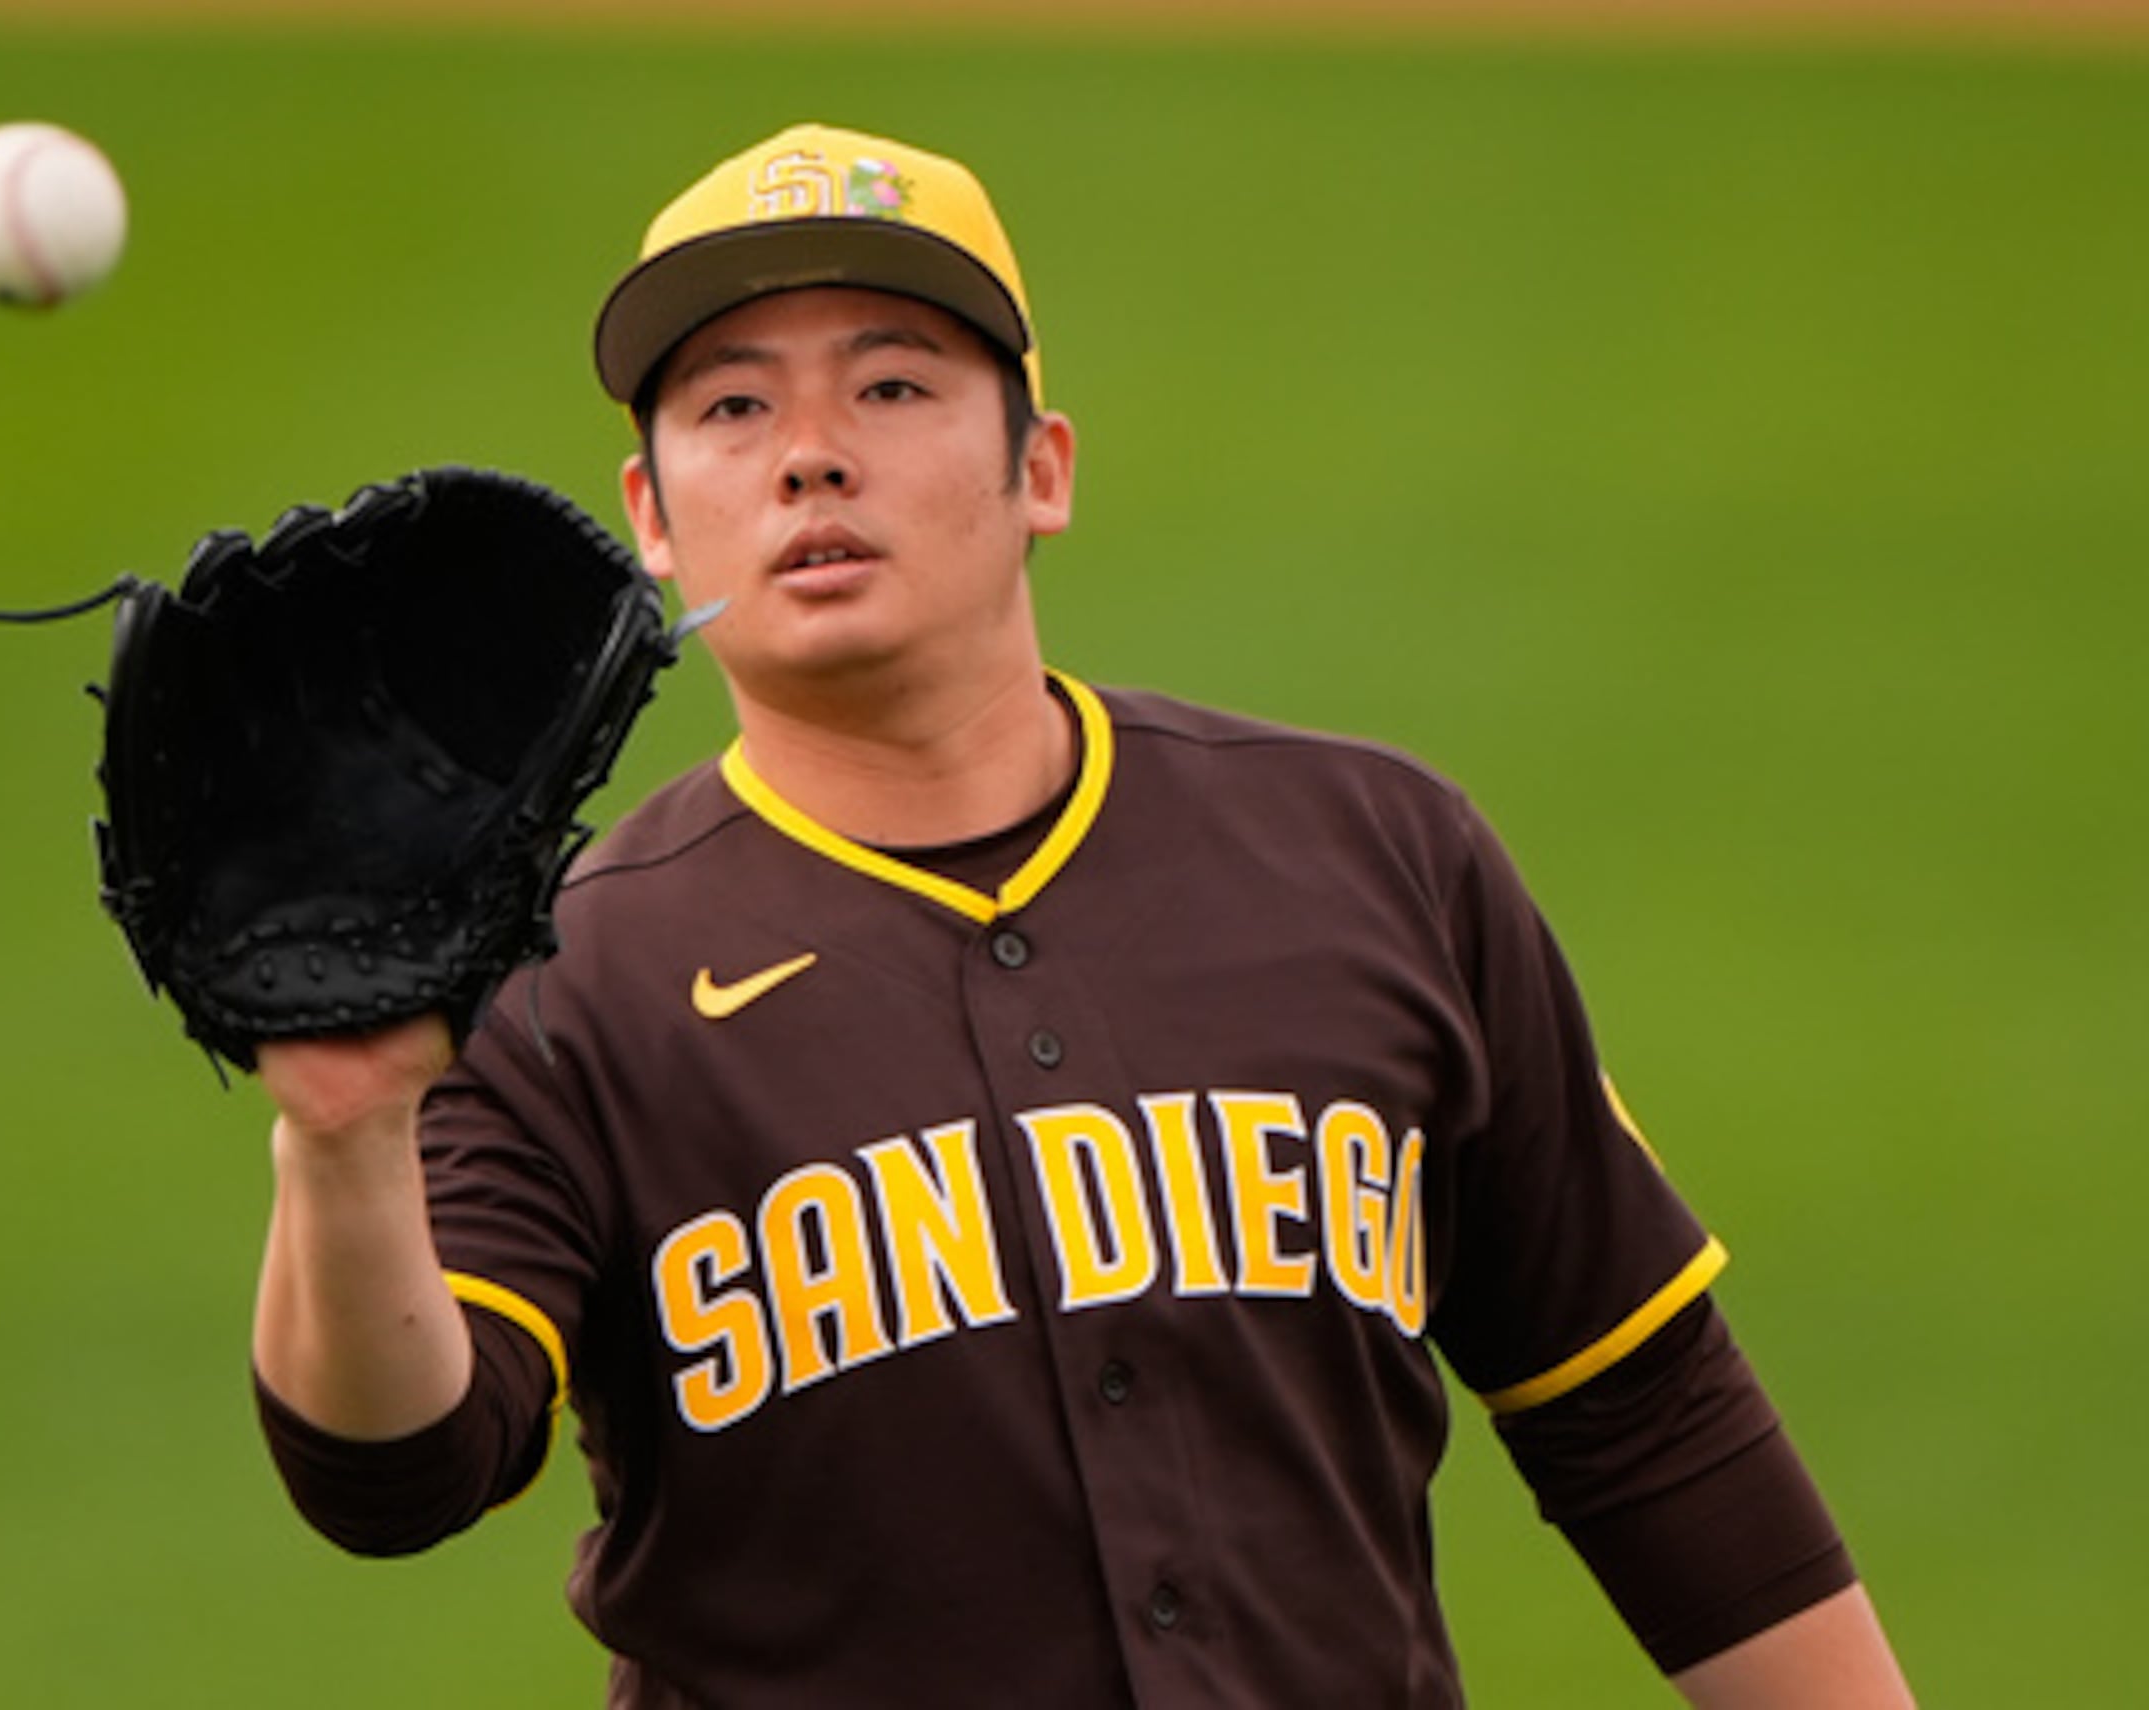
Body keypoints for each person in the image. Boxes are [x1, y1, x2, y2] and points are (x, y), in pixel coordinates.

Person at [245, 123, 1914, 1708]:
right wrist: (339, 1137)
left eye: (893, 384)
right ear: (657, 522)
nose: (814, 448)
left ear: (1039, 467)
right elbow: (393, 1471)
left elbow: (1641, 1407)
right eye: (736, 406)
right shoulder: (562, 979)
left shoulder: (1376, 854)